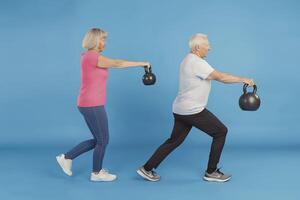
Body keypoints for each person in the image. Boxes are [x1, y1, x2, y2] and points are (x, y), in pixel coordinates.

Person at [137, 33, 255, 182]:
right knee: (221, 131)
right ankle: (211, 172)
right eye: (207, 45)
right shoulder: (197, 62)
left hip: (180, 109)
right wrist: (242, 79)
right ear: (198, 47)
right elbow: (220, 77)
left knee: (174, 141)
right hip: (192, 110)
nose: (210, 48)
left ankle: (147, 168)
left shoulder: (187, 59)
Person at [56, 28, 150, 182]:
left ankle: (67, 158)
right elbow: (118, 63)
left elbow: (112, 64)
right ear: (95, 40)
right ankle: (96, 173)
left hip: (89, 103)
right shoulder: (92, 57)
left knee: (99, 139)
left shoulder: (89, 56)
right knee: (103, 140)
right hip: (92, 104)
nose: (105, 42)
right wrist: (142, 63)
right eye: (103, 39)